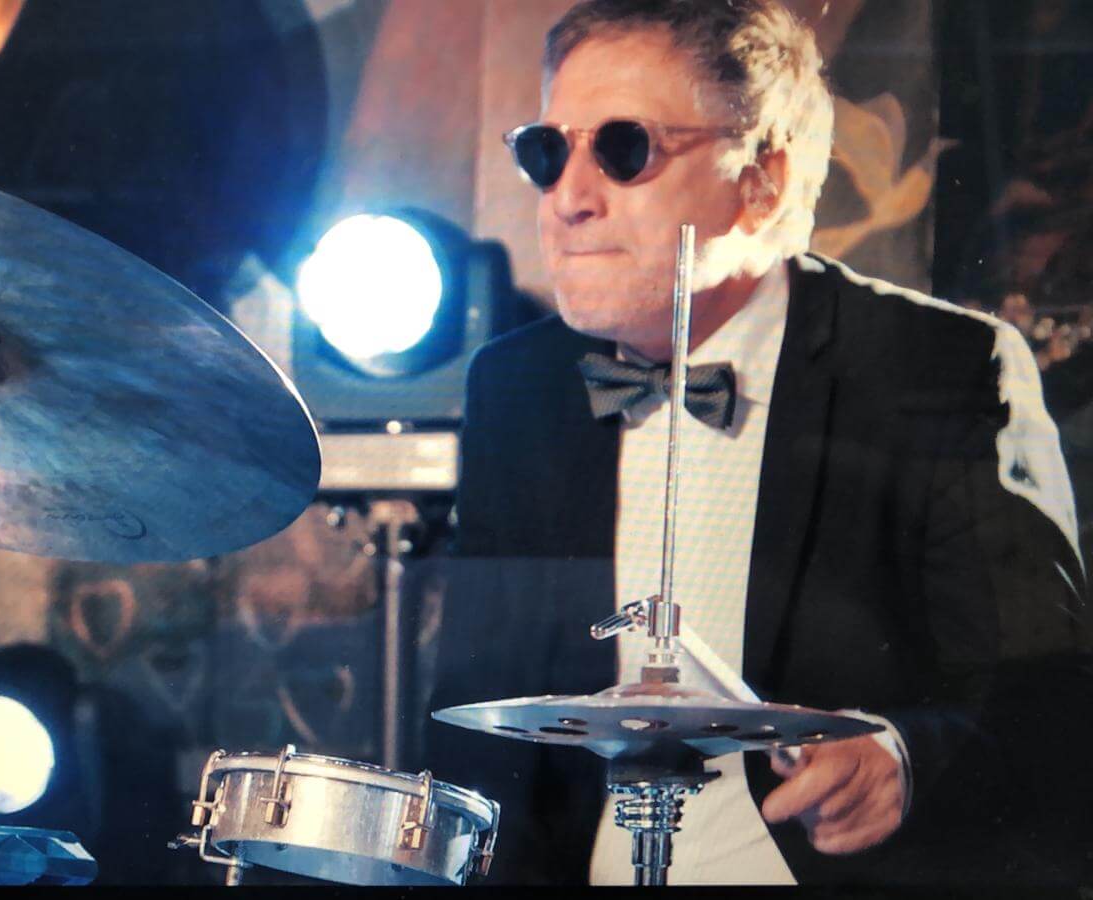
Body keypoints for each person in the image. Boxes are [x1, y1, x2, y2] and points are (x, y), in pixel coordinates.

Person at [428, 0, 1093, 886]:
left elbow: (1048, 705)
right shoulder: (516, 387)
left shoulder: (943, 368)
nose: (569, 199)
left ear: (762, 180)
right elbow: (475, 728)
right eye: (548, 153)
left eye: (624, 149)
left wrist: (901, 762)